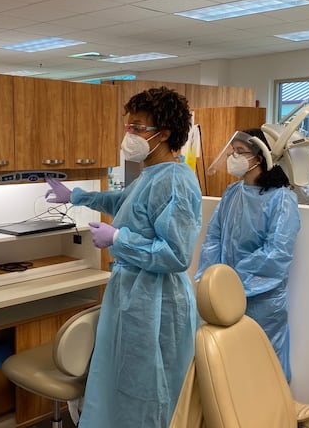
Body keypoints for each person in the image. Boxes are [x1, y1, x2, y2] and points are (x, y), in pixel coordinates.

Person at [45, 86, 202, 428]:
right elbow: (122, 203)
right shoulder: (151, 175)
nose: (129, 135)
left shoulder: (175, 180)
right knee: (126, 381)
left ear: (166, 133)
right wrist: (76, 195)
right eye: (128, 126)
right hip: (136, 296)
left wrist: (119, 238)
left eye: (138, 127)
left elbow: (176, 254)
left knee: (149, 390)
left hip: (157, 302)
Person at [195, 129, 301, 381]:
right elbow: (213, 238)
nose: (233, 157)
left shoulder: (283, 199)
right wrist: (210, 278)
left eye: (240, 152)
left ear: (261, 157)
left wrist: (231, 282)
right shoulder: (233, 193)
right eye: (232, 151)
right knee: (228, 371)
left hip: (262, 301)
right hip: (223, 297)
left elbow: (276, 253)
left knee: (261, 372)